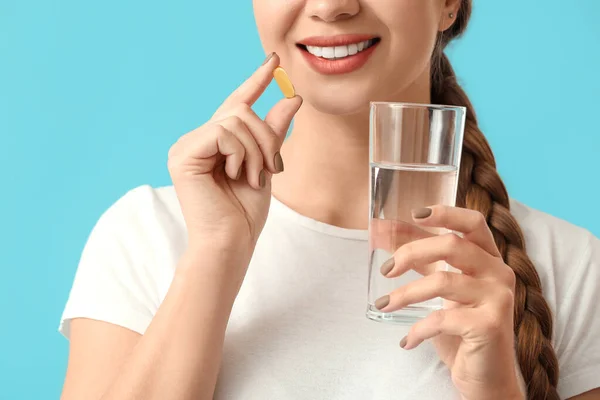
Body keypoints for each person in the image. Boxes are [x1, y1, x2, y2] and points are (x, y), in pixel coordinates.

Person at [58, 1, 600, 399]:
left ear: (449, 5)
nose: (331, 7)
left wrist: (497, 392)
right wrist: (217, 254)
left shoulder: (571, 267)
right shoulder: (148, 234)